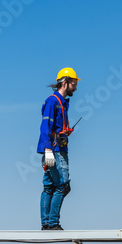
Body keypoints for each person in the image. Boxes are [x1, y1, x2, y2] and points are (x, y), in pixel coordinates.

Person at [37, 68, 80, 230]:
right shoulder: (53, 101)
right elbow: (45, 125)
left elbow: (53, 126)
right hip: (55, 149)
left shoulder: (61, 102)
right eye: (74, 83)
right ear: (65, 82)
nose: (76, 87)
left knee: (49, 186)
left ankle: (46, 224)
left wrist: (64, 132)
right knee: (62, 185)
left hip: (55, 147)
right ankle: (53, 223)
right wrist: (48, 149)